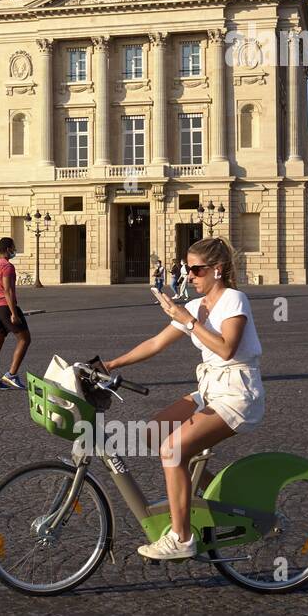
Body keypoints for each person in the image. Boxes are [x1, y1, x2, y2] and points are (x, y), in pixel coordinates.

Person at [102, 237, 263, 561]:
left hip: (237, 394)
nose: (189, 276)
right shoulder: (194, 307)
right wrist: (110, 364)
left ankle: (182, 537)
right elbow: (156, 343)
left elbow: (225, 348)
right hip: (209, 390)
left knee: (172, 449)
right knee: (154, 433)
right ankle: (212, 499)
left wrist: (188, 320)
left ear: (217, 270)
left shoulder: (234, 299)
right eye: (187, 269)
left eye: (196, 269)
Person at [0, 237, 31, 391]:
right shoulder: (7, 266)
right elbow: (7, 290)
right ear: (8, 248)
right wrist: (14, 313)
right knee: (24, 339)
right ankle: (12, 374)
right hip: (5, 306)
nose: (14, 250)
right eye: (13, 247)